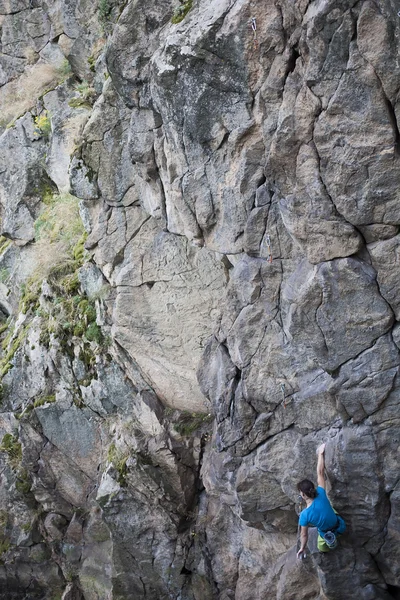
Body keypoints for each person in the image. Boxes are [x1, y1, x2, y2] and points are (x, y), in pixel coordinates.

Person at [297, 443, 345, 558]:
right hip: (341, 525)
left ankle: (327, 547)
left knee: (321, 547)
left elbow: (304, 535)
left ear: (303, 495)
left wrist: (302, 548)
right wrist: (320, 454)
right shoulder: (321, 493)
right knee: (328, 508)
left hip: (326, 533)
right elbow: (320, 472)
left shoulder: (304, 515)